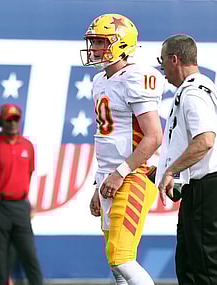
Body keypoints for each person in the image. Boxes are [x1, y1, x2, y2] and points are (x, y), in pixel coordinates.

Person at [80, 14, 164, 284]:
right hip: (111, 176)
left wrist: (120, 173)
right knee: (115, 263)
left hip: (134, 174)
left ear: (121, 43)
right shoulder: (100, 81)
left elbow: (153, 136)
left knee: (121, 256)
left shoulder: (136, 77)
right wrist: (99, 182)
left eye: (101, 42)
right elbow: (107, 139)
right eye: (93, 42)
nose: (94, 49)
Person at [156, 34, 217, 285]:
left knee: (203, 268)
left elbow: (205, 140)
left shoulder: (193, 92)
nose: (162, 70)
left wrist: (171, 171)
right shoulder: (203, 87)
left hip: (207, 188)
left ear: (175, 59)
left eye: (163, 63)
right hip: (199, 189)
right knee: (189, 265)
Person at [0, 104, 44, 285]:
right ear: (1, 122)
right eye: (9, 119)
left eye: (16, 119)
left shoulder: (28, 145)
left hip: (20, 206)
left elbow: (29, 173)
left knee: (29, 254)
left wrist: (21, 196)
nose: (13, 123)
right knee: (1, 257)